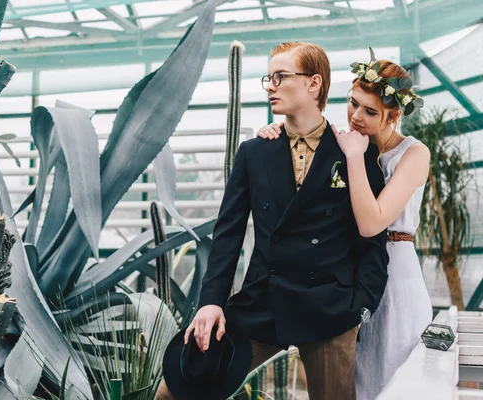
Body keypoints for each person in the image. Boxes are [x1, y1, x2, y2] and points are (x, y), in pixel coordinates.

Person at [157, 42, 389, 400]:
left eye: (281, 77)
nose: (270, 86)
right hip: (261, 301)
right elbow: (228, 233)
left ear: (314, 84)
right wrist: (211, 301)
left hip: (329, 308)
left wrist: (359, 307)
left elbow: (371, 241)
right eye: (269, 77)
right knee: (175, 391)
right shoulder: (254, 151)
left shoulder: (355, 151)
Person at [256, 49, 433, 399]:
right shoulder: (340, 142)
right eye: (353, 103)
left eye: (370, 111)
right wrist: (279, 133)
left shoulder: (414, 154)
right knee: (354, 381)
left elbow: (372, 223)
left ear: (393, 116)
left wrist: (354, 155)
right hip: (347, 278)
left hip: (396, 276)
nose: (356, 117)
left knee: (391, 379)